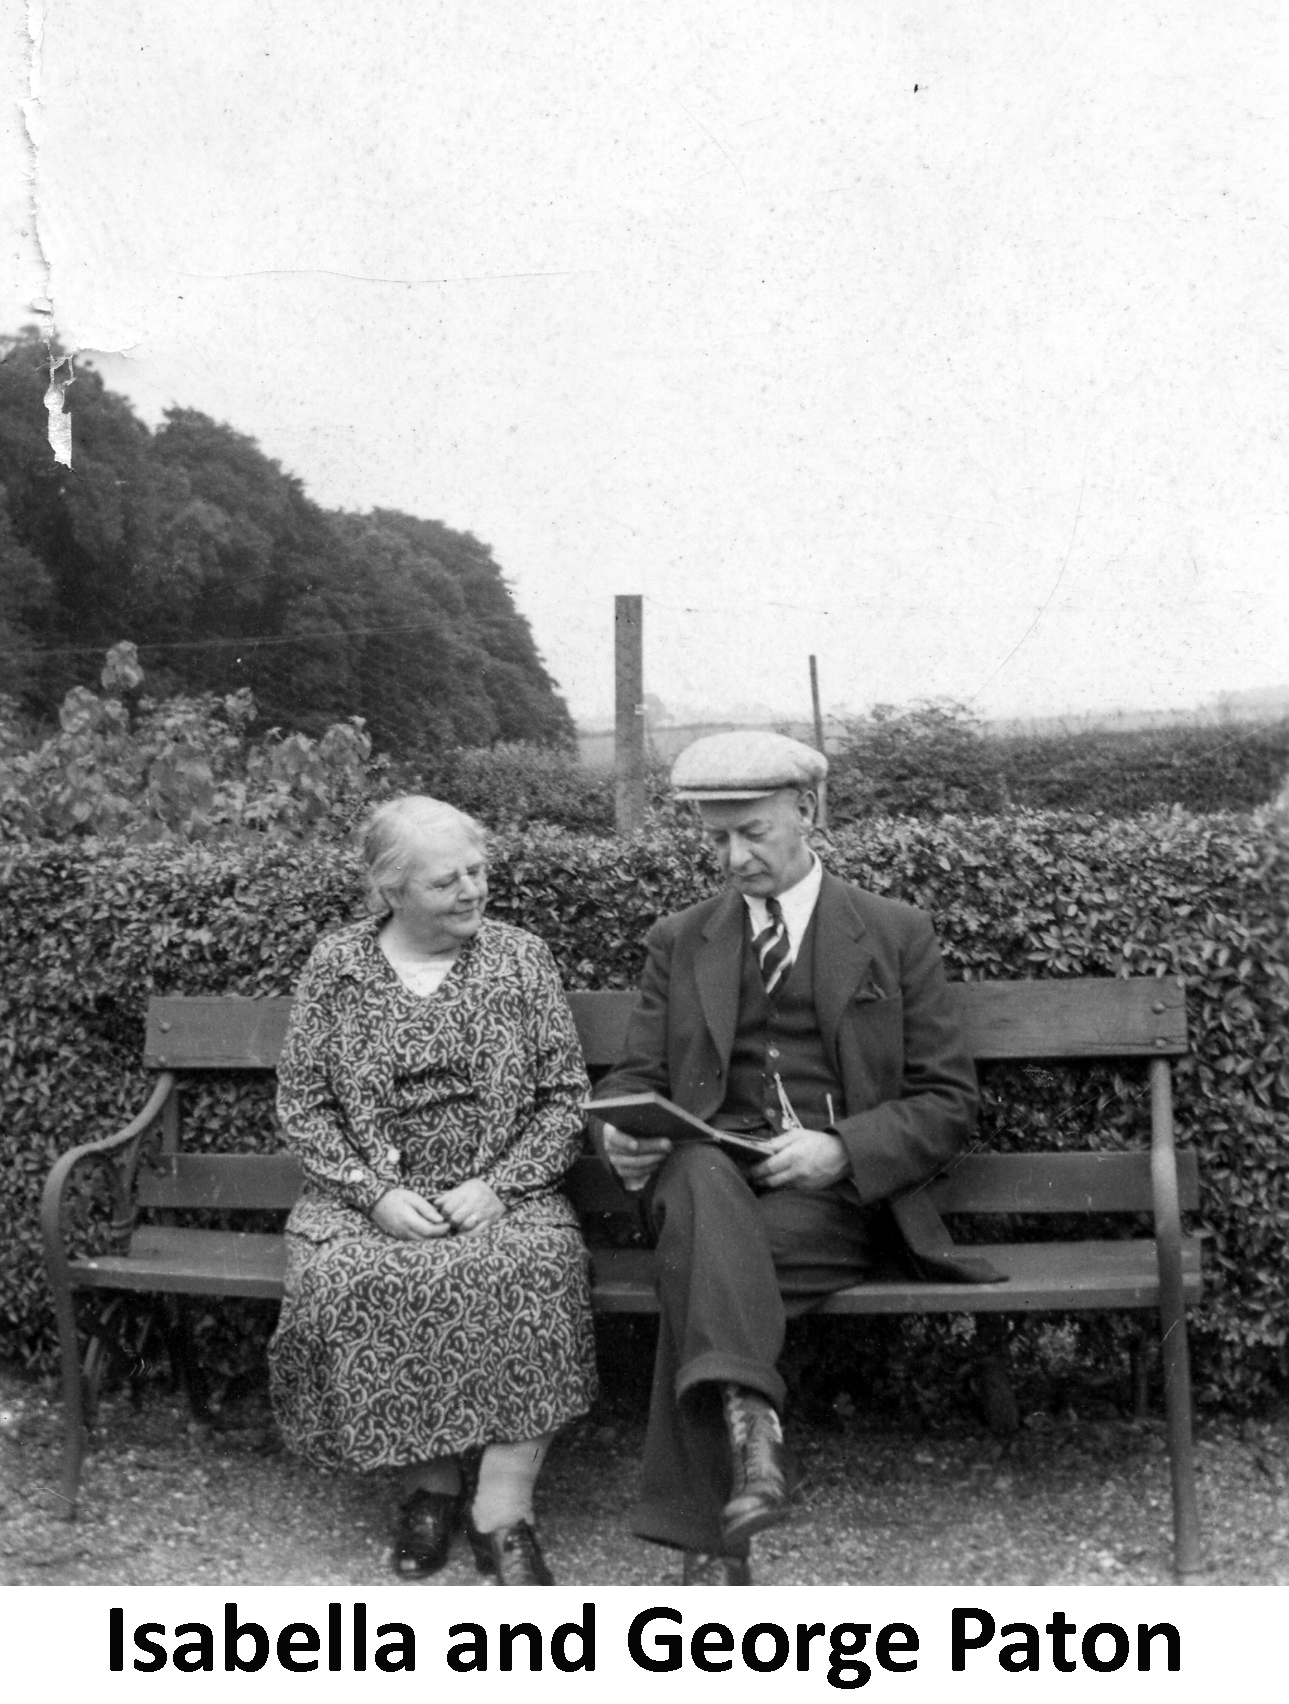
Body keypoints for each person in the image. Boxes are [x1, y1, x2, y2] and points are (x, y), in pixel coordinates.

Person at [592, 730, 979, 1586]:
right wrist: (619, 1131)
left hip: (828, 1207)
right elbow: (634, 1076)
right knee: (693, 1174)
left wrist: (843, 1148)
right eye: (716, 839)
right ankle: (752, 1438)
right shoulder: (680, 939)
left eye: (752, 833)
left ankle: (714, 1520)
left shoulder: (893, 933)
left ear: (805, 813)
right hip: (705, 1178)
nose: (732, 858)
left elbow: (948, 1102)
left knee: (700, 1269)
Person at [268, 796, 597, 1585]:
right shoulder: (336, 965)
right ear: (389, 891)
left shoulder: (520, 958)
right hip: (370, 1197)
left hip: (502, 1191)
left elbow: (563, 1096)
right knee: (358, 1275)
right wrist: (371, 1193)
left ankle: (503, 1505)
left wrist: (502, 1184)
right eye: (446, 881)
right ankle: (430, 1485)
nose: (472, 891)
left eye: (479, 872)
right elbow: (303, 1104)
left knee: (535, 1269)